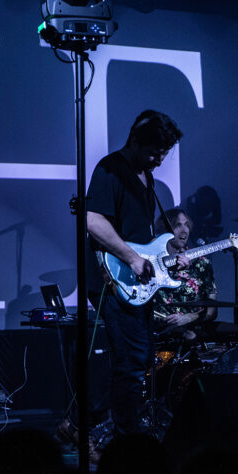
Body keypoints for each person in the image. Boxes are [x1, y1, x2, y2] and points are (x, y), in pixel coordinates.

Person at [85, 109, 187, 436]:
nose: (159, 159)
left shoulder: (146, 175)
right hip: (113, 277)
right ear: (135, 140)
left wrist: (168, 255)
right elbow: (92, 221)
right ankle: (122, 440)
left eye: (164, 153)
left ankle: (83, 425)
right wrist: (130, 258)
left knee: (134, 361)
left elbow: (141, 238)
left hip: (135, 276)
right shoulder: (111, 169)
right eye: (154, 152)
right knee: (131, 363)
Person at [152, 207, 218, 340]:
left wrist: (188, 318)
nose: (184, 230)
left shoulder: (201, 263)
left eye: (186, 225)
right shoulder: (150, 261)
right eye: (178, 225)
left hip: (191, 335)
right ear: (165, 231)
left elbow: (213, 310)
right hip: (155, 333)